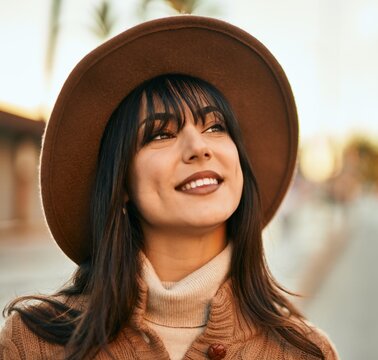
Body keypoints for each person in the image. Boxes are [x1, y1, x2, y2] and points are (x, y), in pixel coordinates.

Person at [0, 15, 338, 360]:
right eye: (161, 134)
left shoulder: (304, 351)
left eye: (215, 127)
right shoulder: (31, 344)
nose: (199, 147)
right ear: (122, 183)